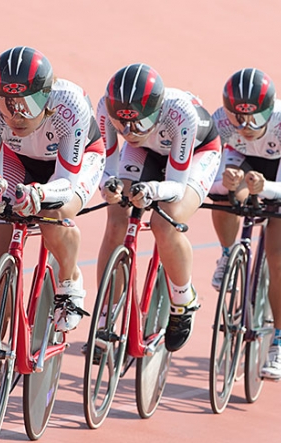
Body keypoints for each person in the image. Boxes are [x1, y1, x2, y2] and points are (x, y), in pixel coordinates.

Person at [0, 46, 106, 333]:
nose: (16, 116)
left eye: (27, 104)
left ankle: (70, 279)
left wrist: (39, 194)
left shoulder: (70, 103)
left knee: (54, 212)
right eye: (6, 103)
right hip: (19, 161)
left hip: (75, 163)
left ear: (46, 96)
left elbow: (65, 182)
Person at [95, 63, 222, 352]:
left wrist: (151, 190)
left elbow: (176, 185)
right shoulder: (106, 108)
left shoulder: (180, 113)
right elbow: (108, 167)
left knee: (166, 221)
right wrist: (110, 187)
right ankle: (106, 313)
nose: (128, 130)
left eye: (137, 122)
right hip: (146, 149)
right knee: (116, 216)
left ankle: (182, 299)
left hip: (197, 153)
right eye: (121, 123)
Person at [209, 68, 281, 379]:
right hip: (243, 162)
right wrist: (225, 181)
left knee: (280, 255)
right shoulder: (220, 122)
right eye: (238, 119)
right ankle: (228, 254)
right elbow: (206, 181)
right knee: (225, 195)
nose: (246, 126)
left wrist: (262, 187)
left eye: (255, 118)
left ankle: (279, 341)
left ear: (270, 109)